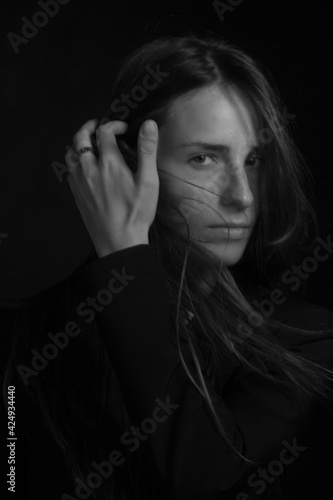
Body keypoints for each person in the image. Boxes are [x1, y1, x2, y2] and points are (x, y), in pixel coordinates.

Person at [2, 33, 333, 500]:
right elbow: (12, 480)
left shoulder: (301, 340)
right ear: (127, 164)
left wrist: (124, 256)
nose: (242, 196)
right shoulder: (23, 341)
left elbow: (201, 476)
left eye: (253, 160)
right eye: (203, 158)